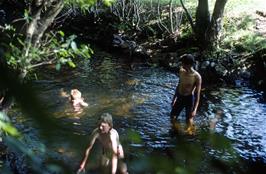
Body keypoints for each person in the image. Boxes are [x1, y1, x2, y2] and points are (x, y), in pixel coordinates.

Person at [171, 54, 202, 127]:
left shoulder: (197, 76)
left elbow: (197, 95)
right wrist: (174, 98)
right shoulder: (181, 71)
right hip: (180, 97)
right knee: (172, 116)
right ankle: (176, 129)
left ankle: (191, 134)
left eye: (183, 63)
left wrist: (195, 109)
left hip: (189, 99)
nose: (182, 65)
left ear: (189, 64)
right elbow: (179, 85)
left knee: (189, 120)